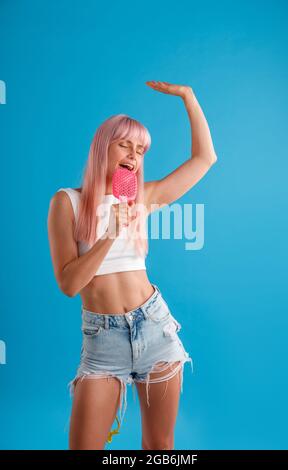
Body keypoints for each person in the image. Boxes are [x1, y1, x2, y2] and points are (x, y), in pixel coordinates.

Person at [47, 80, 217, 450]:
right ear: (102, 147)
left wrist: (188, 97)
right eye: (125, 144)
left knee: (159, 447)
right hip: (102, 339)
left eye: (141, 150)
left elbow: (205, 159)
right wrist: (108, 234)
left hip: (154, 326)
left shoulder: (144, 198)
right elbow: (69, 284)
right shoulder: (67, 203)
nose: (134, 155)